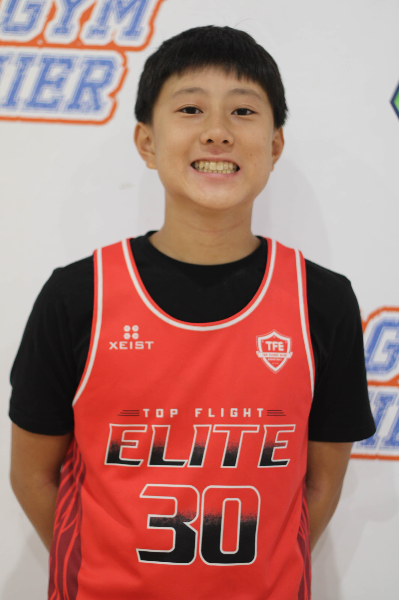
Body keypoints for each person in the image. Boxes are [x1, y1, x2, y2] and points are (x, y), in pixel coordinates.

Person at [9, 25, 376, 600]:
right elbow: (32, 474)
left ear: (275, 146)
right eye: (190, 109)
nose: (217, 132)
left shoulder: (321, 300)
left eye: (243, 112)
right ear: (147, 143)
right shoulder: (79, 296)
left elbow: (321, 485)